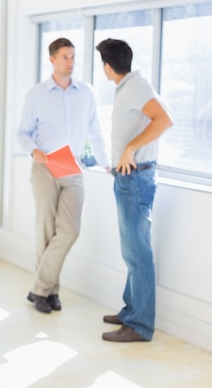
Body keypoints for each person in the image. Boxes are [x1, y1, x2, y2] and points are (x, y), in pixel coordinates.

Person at [17, 37, 110, 314]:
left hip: (73, 166)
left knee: (69, 230)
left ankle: (38, 289)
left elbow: (95, 132)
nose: (70, 63)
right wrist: (34, 151)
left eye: (72, 57)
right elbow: (22, 133)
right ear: (52, 60)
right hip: (45, 165)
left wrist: (107, 164)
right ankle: (50, 292)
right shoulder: (36, 94)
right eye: (64, 57)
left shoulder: (86, 92)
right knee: (45, 229)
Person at [95, 38, 173, 342]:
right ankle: (131, 311)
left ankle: (139, 325)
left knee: (137, 253)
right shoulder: (132, 87)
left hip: (135, 178)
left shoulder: (136, 87)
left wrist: (129, 149)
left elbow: (165, 120)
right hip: (129, 177)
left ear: (107, 66)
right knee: (132, 251)